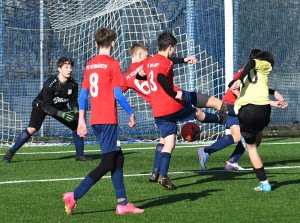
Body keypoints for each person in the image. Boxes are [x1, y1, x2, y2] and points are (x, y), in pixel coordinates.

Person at [62, 28, 144, 215]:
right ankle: (74, 195)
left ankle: (122, 204)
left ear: (96, 44)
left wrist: (81, 120)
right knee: (107, 162)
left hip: (95, 120)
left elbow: (83, 95)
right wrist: (131, 112)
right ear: (113, 43)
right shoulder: (113, 64)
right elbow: (118, 94)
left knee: (118, 159)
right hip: (108, 119)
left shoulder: (89, 65)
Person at [123, 43, 227, 184]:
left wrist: (129, 111)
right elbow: (166, 61)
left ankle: (156, 171)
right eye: (146, 55)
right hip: (173, 99)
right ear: (140, 55)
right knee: (197, 109)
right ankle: (222, 117)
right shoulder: (149, 62)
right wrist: (184, 60)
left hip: (159, 109)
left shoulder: (127, 77)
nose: (148, 57)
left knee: (165, 140)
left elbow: (117, 93)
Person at [197, 49, 288, 171]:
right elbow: (232, 86)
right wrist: (247, 99)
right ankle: (206, 151)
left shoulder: (256, 72)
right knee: (237, 136)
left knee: (254, 137)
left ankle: (232, 161)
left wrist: (273, 92)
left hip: (243, 107)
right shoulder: (244, 71)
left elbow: (256, 88)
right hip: (232, 105)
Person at [3, 57, 92, 163]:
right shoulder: (50, 84)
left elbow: (73, 102)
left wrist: (76, 111)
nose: (69, 70)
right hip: (41, 105)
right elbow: (46, 106)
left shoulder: (73, 84)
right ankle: (11, 152)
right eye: (66, 67)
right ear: (59, 68)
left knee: (77, 125)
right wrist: (62, 114)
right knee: (33, 128)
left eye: (71, 67)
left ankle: (80, 155)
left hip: (59, 106)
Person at [229, 51, 284, 192]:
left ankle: (264, 183)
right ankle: (264, 183)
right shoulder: (263, 65)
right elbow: (254, 63)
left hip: (247, 112)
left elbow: (231, 84)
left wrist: (240, 81)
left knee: (252, 148)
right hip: (262, 112)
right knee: (253, 144)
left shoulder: (245, 71)